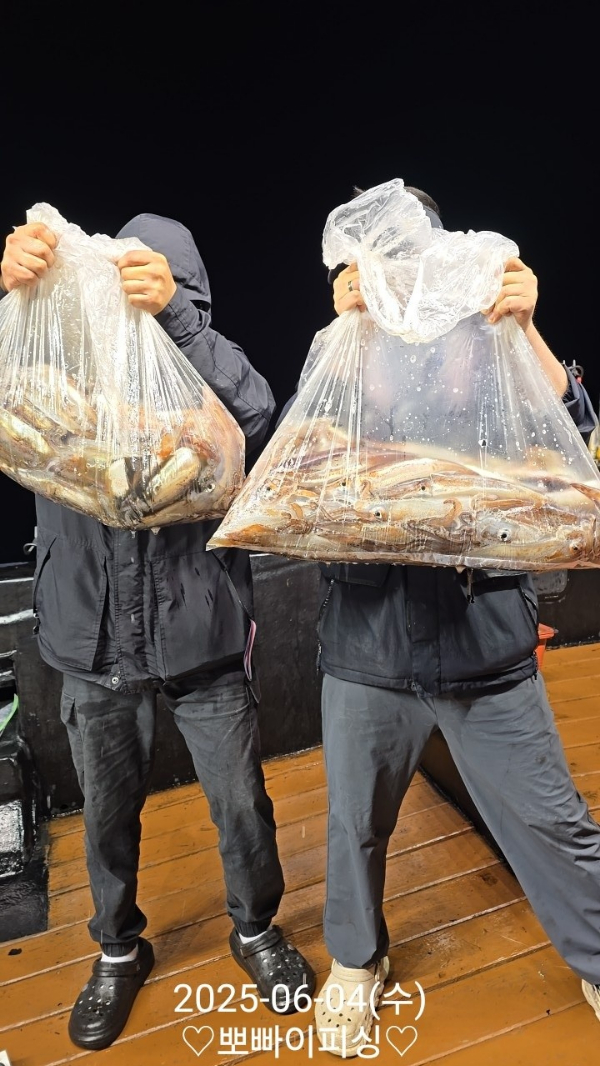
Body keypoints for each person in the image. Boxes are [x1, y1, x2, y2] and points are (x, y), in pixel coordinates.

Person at [292, 186, 600, 1057]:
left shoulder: (488, 339)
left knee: (552, 820)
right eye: (384, 258)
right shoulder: (349, 346)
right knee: (353, 824)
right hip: (367, 642)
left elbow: (573, 443)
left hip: (485, 640)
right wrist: (339, 331)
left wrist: (527, 327)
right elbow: (297, 461)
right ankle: (358, 961)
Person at [0, 213, 315, 1051]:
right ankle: (117, 949)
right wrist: (13, 294)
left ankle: (256, 929)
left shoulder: (202, 365)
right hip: (91, 639)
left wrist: (175, 320)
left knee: (241, 803)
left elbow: (259, 417)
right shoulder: (55, 365)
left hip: (202, 636)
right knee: (105, 814)